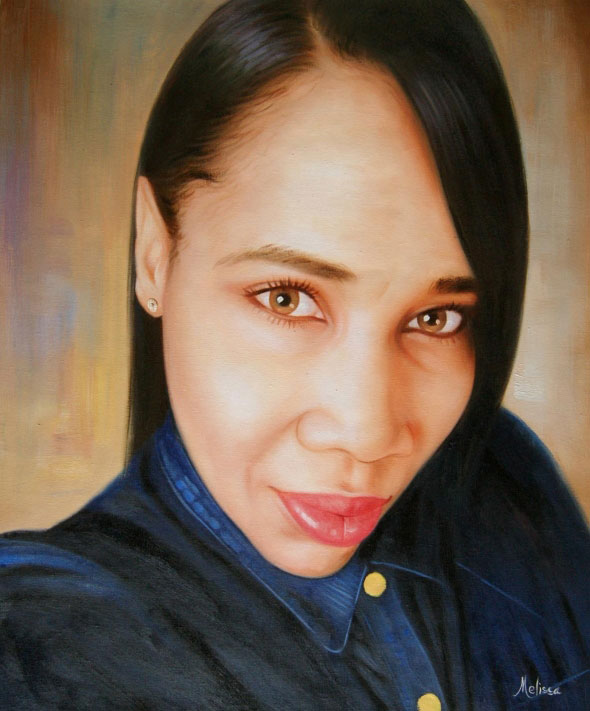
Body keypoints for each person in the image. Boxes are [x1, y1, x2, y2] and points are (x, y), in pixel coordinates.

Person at [1, 0, 589, 709]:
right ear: (155, 255)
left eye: (435, 318)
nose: (366, 431)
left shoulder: (505, 484)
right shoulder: (39, 647)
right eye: (286, 298)